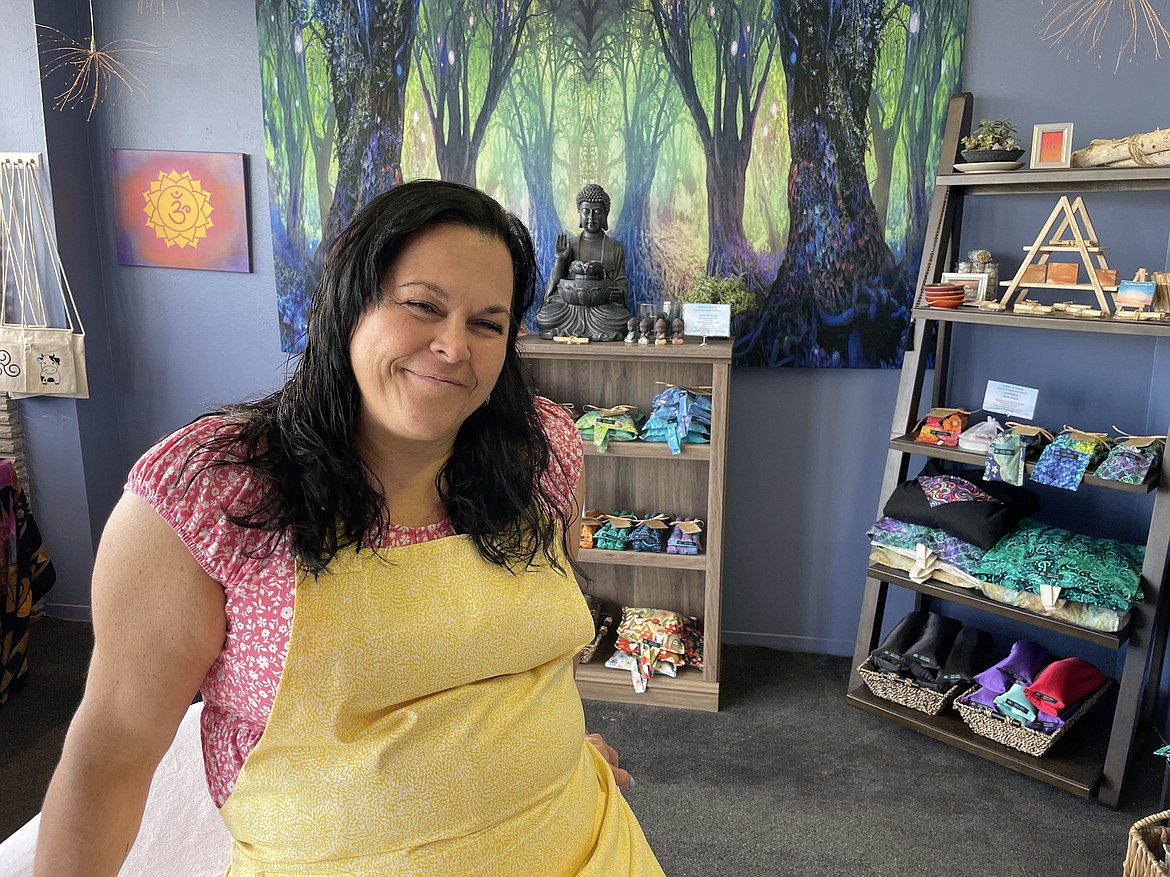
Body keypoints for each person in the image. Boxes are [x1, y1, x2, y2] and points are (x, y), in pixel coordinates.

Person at [34, 180, 664, 876]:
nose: (455, 345)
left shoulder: (539, 449)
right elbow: (110, 751)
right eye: (423, 305)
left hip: (590, 848)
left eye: (488, 323)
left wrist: (551, 752)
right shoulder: (213, 492)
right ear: (348, 305)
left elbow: (537, 654)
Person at [534, 183, 630, 341]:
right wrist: (560, 259)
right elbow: (556, 281)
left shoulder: (615, 247)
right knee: (544, 317)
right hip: (570, 307)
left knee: (622, 320)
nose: (591, 218)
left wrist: (618, 291)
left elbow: (620, 281)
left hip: (601, 306)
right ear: (579, 213)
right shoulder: (570, 244)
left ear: (605, 215)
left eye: (597, 212)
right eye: (586, 211)